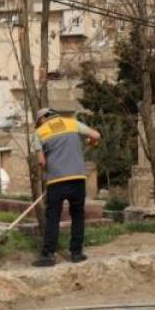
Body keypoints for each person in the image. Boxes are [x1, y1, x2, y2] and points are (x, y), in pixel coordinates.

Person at [30, 108, 101, 267]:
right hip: (77, 177)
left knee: (53, 217)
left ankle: (49, 255)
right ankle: (76, 253)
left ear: (41, 120)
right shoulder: (72, 123)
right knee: (77, 215)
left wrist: (48, 168)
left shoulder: (39, 133)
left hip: (56, 180)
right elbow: (96, 136)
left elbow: (41, 161)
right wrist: (92, 143)